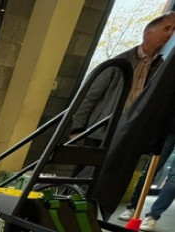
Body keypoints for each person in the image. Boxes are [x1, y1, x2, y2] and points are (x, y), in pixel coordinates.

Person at [70, 12, 175, 144]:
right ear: (148, 34)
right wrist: (76, 129)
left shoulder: (160, 67)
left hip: (130, 134)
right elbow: (89, 97)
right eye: (166, 29)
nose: (169, 34)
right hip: (100, 133)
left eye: (173, 30)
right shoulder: (120, 62)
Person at [118, 131, 175, 232]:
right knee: (149, 171)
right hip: (169, 128)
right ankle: (132, 207)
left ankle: (153, 216)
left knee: (173, 181)